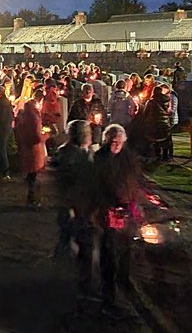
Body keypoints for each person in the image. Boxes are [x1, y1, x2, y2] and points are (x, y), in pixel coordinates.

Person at [93, 123, 147, 318]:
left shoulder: (128, 157)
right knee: (109, 254)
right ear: (107, 140)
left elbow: (136, 180)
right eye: (113, 142)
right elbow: (96, 187)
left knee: (126, 249)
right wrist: (107, 206)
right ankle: (108, 297)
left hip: (127, 210)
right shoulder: (100, 159)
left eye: (119, 142)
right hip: (109, 211)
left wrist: (138, 200)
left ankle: (124, 280)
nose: (116, 145)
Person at [52, 120, 96, 295]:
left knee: (68, 239)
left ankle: (63, 272)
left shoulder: (84, 151)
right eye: (87, 132)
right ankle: (79, 283)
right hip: (74, 206)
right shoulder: (70, 155)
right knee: (83, 243)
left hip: (81, 205)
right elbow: (69, 182)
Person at [15, 91, 49, 207]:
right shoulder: (34, 118)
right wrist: (45, 136)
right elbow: (35, 137)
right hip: (34, 152)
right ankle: (33, 200)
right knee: (34, 177)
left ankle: (31, 198)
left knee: (31, 176)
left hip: (25, 150)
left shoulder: (22, 116)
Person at [0, 84, 15, 181]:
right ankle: (3, 171)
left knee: (1, 149)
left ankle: (4, 171)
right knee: (2, 148)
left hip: (1, 129)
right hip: (7, 128)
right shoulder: (7, 102)